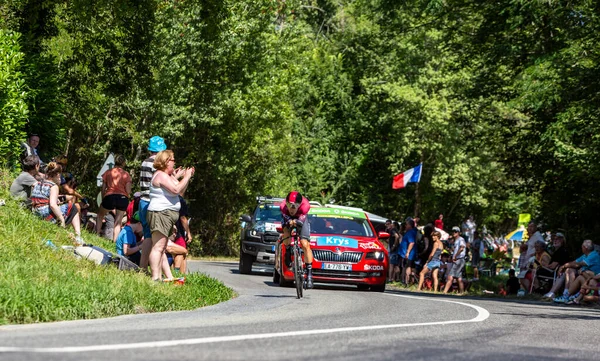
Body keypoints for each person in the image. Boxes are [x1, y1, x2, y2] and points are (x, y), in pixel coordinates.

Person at [147, 150, 194, 282]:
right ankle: (155, 277)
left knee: (161, 248)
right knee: (158, 247)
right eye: (173, 160)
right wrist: (187, 177)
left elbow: (179, 190)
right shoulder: (161, 175)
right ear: (166, 161)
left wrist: (180, 176)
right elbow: (175, 190)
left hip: (166, 215)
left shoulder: (166, 175)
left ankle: (163, 277)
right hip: (160, 213)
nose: (174, 162)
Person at [30, 162, 83, 245]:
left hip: (35, 213)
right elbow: (52, 205)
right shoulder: (53, 186)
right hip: (44, 215)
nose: (60, 178)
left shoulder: (37, 183)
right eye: (60, 176)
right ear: (57, 174)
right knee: (73, 207)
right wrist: (61, 219)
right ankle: (78, 235)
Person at [139, 136, 167, 271]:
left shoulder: (144, 162)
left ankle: (142, 266)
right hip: (152, 202)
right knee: (155, 239)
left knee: (147, 236)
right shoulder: (155, 165)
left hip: (142, 201)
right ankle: (157, 271)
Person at [278, 191, 314, 288]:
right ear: (286, 203)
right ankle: (288, 250)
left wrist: (296, 222)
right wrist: (289, 221)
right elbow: (286, 219)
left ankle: (309, 273)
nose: (292, 209)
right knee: (286, 231)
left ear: (299, 204)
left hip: (301, 217)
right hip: (288, 218)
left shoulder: (305, 206)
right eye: (289, 205)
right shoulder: (283, 207)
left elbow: (301, 222)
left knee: (305, 244)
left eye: (294, 206)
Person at [95, 154, 132, 242]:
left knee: (100, 215)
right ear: (124, 163)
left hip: (110, 196)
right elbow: (128, 191)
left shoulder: (108, 172)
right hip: (122, 198)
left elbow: (103, 188)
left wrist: (104, 197)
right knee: (118, 221)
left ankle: (96, 234)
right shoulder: (126, 175)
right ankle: (115, 241)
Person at [443, 226, 466, 294]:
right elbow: (456, 249)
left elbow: (462, 248)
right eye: (453, 231)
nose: (454, 233)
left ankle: (444, 292)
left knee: (450, 276)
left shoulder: (461, 239)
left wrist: (455, 256)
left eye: (455, 231)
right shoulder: (456, 240)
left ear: (458, 233)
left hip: (459, 260)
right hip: (459, 260)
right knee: (459, 277)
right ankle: (462, 292)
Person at [399, 218, 417, 285]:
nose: (405, 226)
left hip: (409, 254)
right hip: (409, 253)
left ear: (410, 225)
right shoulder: (411, 232)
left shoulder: (410, 232)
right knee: (409, 267)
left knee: (408, 266)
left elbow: (411, 243)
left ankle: (406, 282)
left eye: (406, 225)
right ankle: (408, 281)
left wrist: (408, 252)